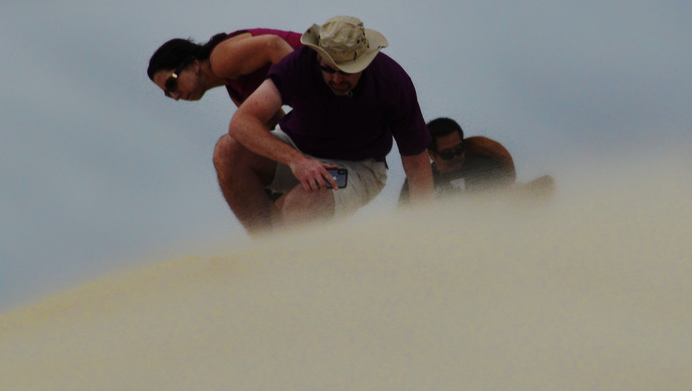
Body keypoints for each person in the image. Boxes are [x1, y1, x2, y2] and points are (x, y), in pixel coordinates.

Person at [217, 16, 433, 231]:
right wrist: (296, 161)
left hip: (357, 166)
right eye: (329, 69)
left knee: (301, 206)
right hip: (296, 151)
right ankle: (267, 244)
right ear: (319, 57)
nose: (337, 79)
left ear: (364, 62)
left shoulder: (392, 82)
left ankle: (286, 253)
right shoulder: (299, 62)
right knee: (228, 150)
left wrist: (423, 228)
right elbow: (241, 122)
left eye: (346, 71)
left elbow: (416, 163)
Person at [398, 118, 552, 201]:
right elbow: (405, 219)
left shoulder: (483, 167)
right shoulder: (419, 179)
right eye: (447, 154)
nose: (456, 157)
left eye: (459, 149)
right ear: (432, 154)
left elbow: (508, 193)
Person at [147, 28, 301, 106]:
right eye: (168, 93)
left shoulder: (220, 61)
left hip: (322, 61)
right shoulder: (236, 90)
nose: (175, 96)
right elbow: (276, 124)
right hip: (320, 83)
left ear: (193, 64)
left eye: (171, 83)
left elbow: (272, 45)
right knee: (243, 132)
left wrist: (312, 97)